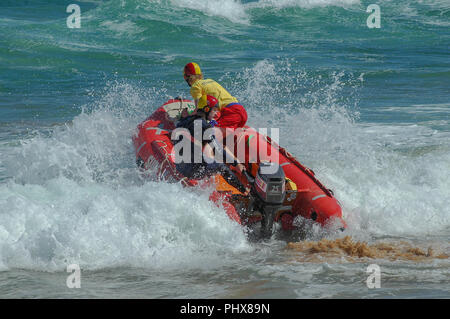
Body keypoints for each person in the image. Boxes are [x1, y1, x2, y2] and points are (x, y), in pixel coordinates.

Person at [173, 95, 246, 183]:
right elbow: (217, 148)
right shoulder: (204, 126)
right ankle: (245, 192)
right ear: (207, 109)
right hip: (192, 171)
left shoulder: (187, 120)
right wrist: (236, 163)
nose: (216, 114)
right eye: (214, 110)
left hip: (179, 165)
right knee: (221, 167)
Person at [183, 62, 248, 129]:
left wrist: (186, 116)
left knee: (209, 132)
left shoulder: (195, 86)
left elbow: (198, 110)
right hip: (241, 110)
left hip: (231, 113)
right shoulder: (210, 80)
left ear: (187, 77)